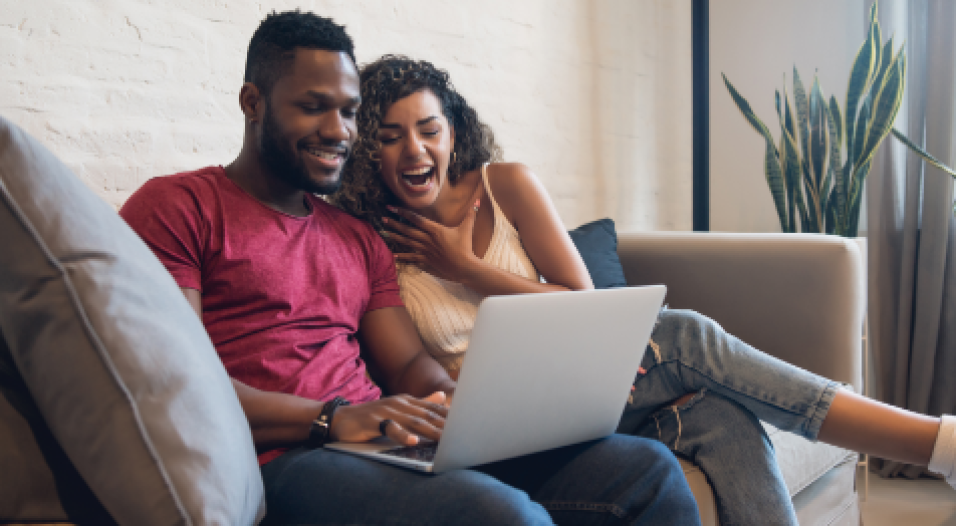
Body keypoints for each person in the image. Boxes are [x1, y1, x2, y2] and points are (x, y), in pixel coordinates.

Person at [119, 10, 702, 526]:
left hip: (380, 441)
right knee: (500, 516)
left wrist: (460, 407)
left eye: (348, 112)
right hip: (282, 460)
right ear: (253, 103)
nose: (337, 131)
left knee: (644, 470)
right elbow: (180, 382)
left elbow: (408, 364)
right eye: (313, 107)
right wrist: (332, 419)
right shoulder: (180, 207)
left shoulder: (356, 238)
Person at [330, 54, 956, 526]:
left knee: (721, 415)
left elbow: (582, 302)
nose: (415, 149)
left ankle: (937, 443)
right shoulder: (368, 241)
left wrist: (467, 268)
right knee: (684, 337)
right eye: (390, 135)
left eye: (429, 129)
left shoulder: (506, 185)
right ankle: (936, 442)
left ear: (453, 132)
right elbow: (411, 370)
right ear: (367, 149)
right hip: (496, 416)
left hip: (581, 383)